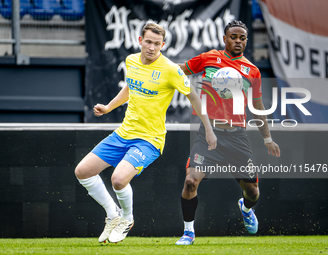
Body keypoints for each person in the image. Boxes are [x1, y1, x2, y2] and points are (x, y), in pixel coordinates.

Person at [74, 23, 217, 244]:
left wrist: (208, 129)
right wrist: (109, 107)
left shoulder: (170, 70)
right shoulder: (131, 60)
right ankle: (113, 214)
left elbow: (194, 97)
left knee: (118, 180)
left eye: (157, 44)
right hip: (123, 134)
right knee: (82, 171)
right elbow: (130, 87)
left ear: (163, 45)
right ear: (140, 40)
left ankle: (127, 219)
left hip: (149, 140)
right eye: (148, 42)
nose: (151, 47)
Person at [175, 20, 281, 245]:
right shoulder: (208, 58)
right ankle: (188, 233)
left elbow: (258, 107)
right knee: (191, 181)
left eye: (242, 38)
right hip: (209, 133)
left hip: (237, 136)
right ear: (225, 39)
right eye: (234, 37)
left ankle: (245, 207)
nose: (238, 41)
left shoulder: (251, 71)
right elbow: (177, 71)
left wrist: (268, 138)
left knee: (253, 192)